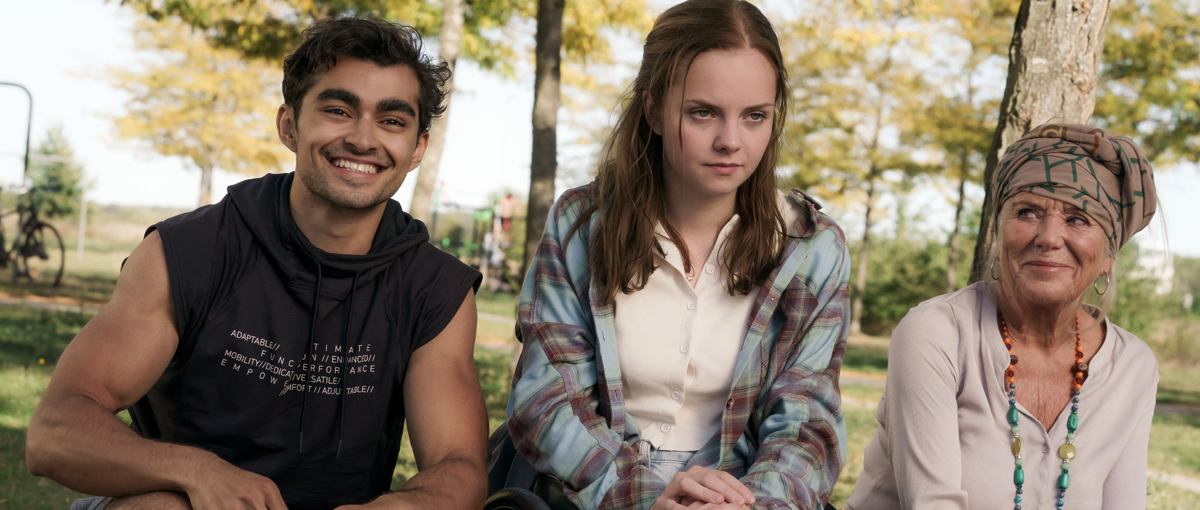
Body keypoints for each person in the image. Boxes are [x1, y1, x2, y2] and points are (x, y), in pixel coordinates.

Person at [26, 17, 488, 510]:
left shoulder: (435, 288)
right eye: (338, 109)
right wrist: (195, 472)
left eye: (392, 121)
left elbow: (459, 465)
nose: (363, 139)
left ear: (417, 148)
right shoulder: (190, 250)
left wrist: (404, 507)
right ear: (289, 124)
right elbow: (54, 432)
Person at [506, 1, 851, 509]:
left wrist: (748, 505)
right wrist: (641, 498)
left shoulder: (812, 247)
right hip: (599, 490)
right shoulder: (582, 224)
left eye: (755, 116)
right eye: (703, 113)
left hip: (747, 494)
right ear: (653, 111)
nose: (730, 142)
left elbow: (807, 420)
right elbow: (546, 400)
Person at [846, 124, 1160, 509]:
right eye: (1027, 212)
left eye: (1078, 219)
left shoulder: (1133, 366)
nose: (1048, 236)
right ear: (998, 233)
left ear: (1108, 256)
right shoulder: (936, 334)